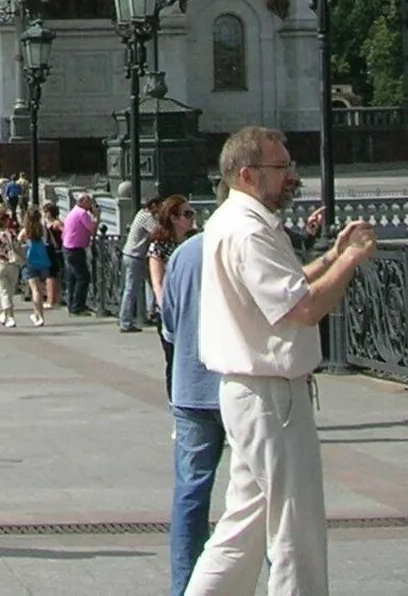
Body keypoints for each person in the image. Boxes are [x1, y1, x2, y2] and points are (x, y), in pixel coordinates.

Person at [186, 126, 378, 596]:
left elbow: (285, 288)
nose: (292, 177)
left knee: (243, 527)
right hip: (271, 394)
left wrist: (332, 254)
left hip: (250, 389)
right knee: (295, 525)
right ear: (249, 174)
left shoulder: (232, 221)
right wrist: (351, 262)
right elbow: (303, 308)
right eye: (282, 168)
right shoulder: (250, 231)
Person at [153, 193, 219, 596]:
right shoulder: (260, 246)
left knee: (191, 494)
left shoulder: (185, 253)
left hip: (192, 387)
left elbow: (170, 327)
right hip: (248, 388)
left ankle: (184, 587)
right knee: (264, 496)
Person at [119, 195, 160, 333]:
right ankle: (125, 322)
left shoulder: (142, 214)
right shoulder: (146, 217)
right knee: (131, 289)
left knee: (153, 282)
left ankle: (151, 311)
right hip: (135, 255)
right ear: (154, 205)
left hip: (136, 255)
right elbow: (158, 232)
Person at [61, 193, 98, 315]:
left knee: (72, 277)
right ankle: (78, 306)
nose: (91, 204)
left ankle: (72, 304)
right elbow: (92, 229)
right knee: (83, 277)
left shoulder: (73, 211)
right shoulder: (82, 213)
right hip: (75, 248)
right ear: (82, 202)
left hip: (68, 247)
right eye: (89, 202)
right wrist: (96, 216)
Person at [22, 208, 56, 324]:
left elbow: (16, 243)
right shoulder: (43, 229)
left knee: (35, 290)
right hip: (43, 261)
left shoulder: (26, 230)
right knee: (40, 289)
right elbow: (51, 242)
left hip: (30, 261)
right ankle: (37, 314)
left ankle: (39, 315)